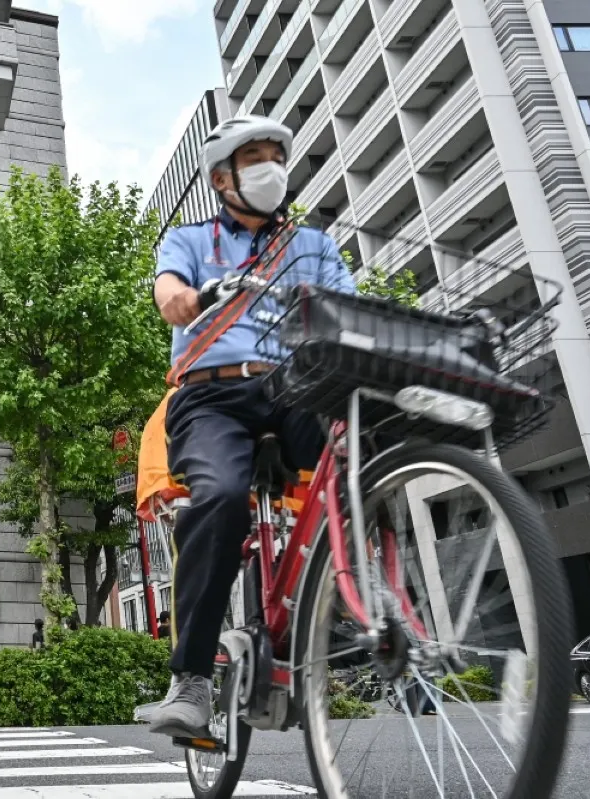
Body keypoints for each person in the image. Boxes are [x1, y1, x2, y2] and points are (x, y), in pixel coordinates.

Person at [147, 114, 355, 739]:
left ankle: (347, 600)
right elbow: (169, 295)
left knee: (366, 446)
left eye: (276, 155)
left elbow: (345, 307)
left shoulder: (312, 246)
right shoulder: (187, 239)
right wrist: (190, 297)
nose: (270, 166)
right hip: (212, 398)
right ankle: (190, 680)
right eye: (254, 156)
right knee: (219, 497)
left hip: (293, 387)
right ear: (222, 177)